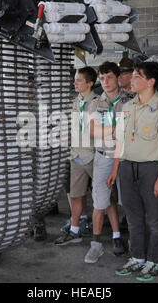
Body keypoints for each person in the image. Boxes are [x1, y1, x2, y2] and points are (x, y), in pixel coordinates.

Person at [109, 62, 158, 281]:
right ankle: (137, 257)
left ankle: (154, 260)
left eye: (138, 76)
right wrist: (115, 168)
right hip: (127, 168)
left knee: (156, 219)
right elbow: (119, 139)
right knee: (133, 217)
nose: (132, 80)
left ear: (151, 82)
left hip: (152, 169)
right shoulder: (128, 107)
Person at [84, 61, 128, 263]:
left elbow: (128, 133)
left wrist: (111, 130)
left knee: (129, 201)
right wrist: (114, 129)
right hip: (103, 157)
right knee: (100, 202)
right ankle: (96, 244)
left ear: (118, 78)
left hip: (126, 158)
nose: (105, 81)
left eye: (109, 77)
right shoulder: (95, 103)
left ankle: (125, 239)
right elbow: (92, 131)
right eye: (102, 78)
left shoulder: (129, 103)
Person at [55, 66, 98, 245]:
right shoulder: (76, 102)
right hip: (77, 155)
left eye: (79, 80)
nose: (75, 83)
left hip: (93, 156)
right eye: (75, 79)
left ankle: (112, 235)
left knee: (105, 197)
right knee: (76, 194)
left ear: (90, 83)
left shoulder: (98, 102)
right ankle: (75, 230)